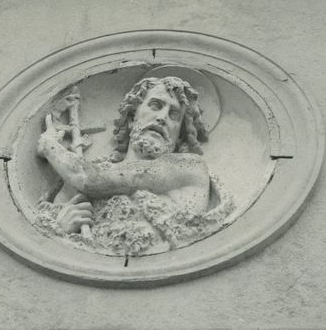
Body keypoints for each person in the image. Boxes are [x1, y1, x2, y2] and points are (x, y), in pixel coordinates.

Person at [36, 76, 232, 256]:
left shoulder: (190, 167)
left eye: (173, 115)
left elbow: (89, 179)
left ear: (179, 135)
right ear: (131, 118)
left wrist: (50, 146)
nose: (162, 117)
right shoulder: (97, 168)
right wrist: (62, 226)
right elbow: (51, 231)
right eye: (156, 105)